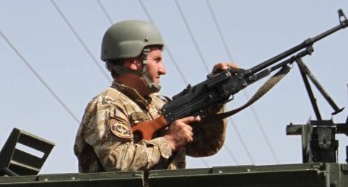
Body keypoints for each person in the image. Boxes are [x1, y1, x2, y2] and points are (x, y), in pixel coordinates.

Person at [74, 19, 236, 172]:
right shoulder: (108, 104)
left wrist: (215, 97)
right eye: (157, 60)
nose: (163, 70)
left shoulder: (160, 105)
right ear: (134, 62)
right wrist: (168, 142)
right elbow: (117, 162)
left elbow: (206, 145)